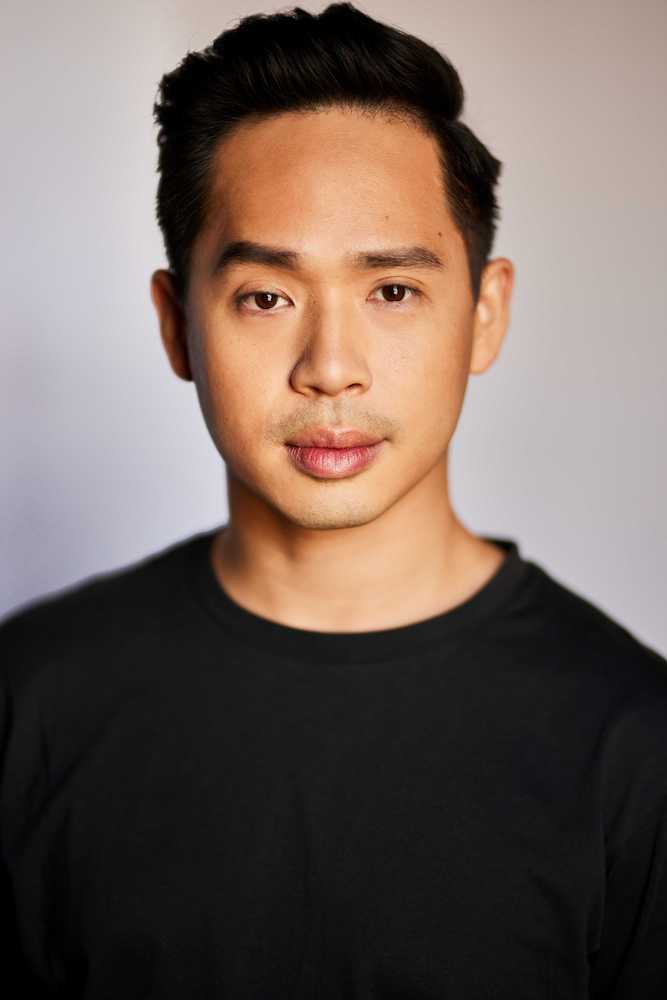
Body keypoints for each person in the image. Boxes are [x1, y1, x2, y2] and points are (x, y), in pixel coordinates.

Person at [1, 3, 666, 997]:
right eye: (267, 297)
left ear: (484, 316)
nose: (330, 369)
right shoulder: (30, 701)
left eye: (392, 292)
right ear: (177, 325)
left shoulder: (636, 745)